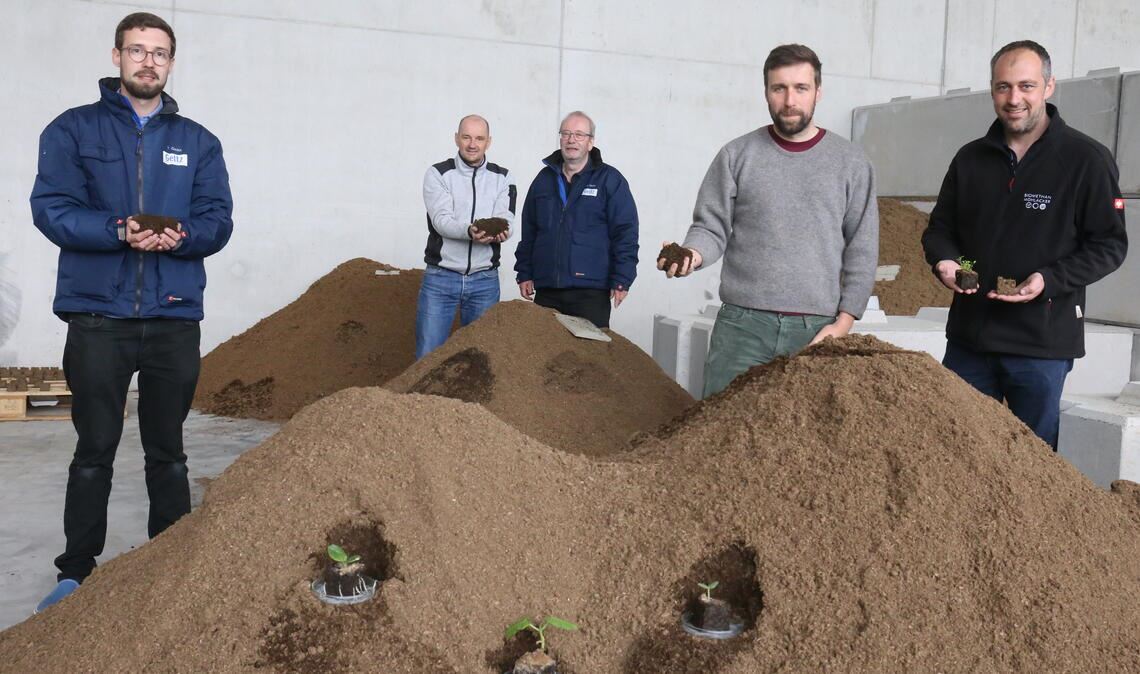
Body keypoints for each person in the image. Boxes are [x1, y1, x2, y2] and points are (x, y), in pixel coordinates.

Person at [30, 12, 233, 611]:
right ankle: (75, 573)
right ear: (116, 56)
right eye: (137, 50)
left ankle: (169, 563)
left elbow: (217, 218)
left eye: (160, 53)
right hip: (98, 318)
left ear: (171, 63)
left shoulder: (198, 141)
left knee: (167, 451)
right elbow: (51, 209)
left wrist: (183, 237)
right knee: (93, 450)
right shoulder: (73, 131)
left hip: (172, 318)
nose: (149, 61)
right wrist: (118, 229)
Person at [922, 40, 1127, 450]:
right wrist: (946, 261)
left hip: (1041, 347)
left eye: (1026, 86)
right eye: (1003, 87)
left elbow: (1109, 244)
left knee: (1031, 465)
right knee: (954, 454)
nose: (1014, 99)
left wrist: (1048, 280)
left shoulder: (1086, 160)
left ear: (1049, 87)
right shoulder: (970, 158)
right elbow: (940, 229)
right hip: (969, 342)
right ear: (992, 89)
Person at [658, 44, 878, 398]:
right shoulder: (736, 155)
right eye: (779, 88)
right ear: (766, 93)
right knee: (720, 432)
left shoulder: (851, 163)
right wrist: (692, 255)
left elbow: (863, 248)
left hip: (817, 330)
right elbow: (711, 227)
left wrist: (845, 321)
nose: (790, 100)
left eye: (801, 88)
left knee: (803, 443)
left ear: (818, 92)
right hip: (741, 328)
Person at [514, 111, 639, 329]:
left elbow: (625, 233)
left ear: (591, 142)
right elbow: (530, 230)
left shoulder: (610, 180)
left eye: (579, 135)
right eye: (566, 133)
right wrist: (524, 272)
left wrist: (622, 278)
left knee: (588, 360)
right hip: (547, 290)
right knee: (543, 358)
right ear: (560, 138)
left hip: (591, 293)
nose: (572, 140)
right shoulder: (543, 180)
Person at [417, 114, 516, 359]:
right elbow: (441, 221)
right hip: (441, 278)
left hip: (484, 281)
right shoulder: (438, 174)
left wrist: (503, 232)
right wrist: (470, 232)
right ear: (456, 139)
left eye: (479, 138)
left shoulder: (503, 177)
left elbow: (507, 219)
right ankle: (420, 400)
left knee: (480, 359)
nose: (473, 144)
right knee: (428, 356)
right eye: (466, 137)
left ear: (488, 142)